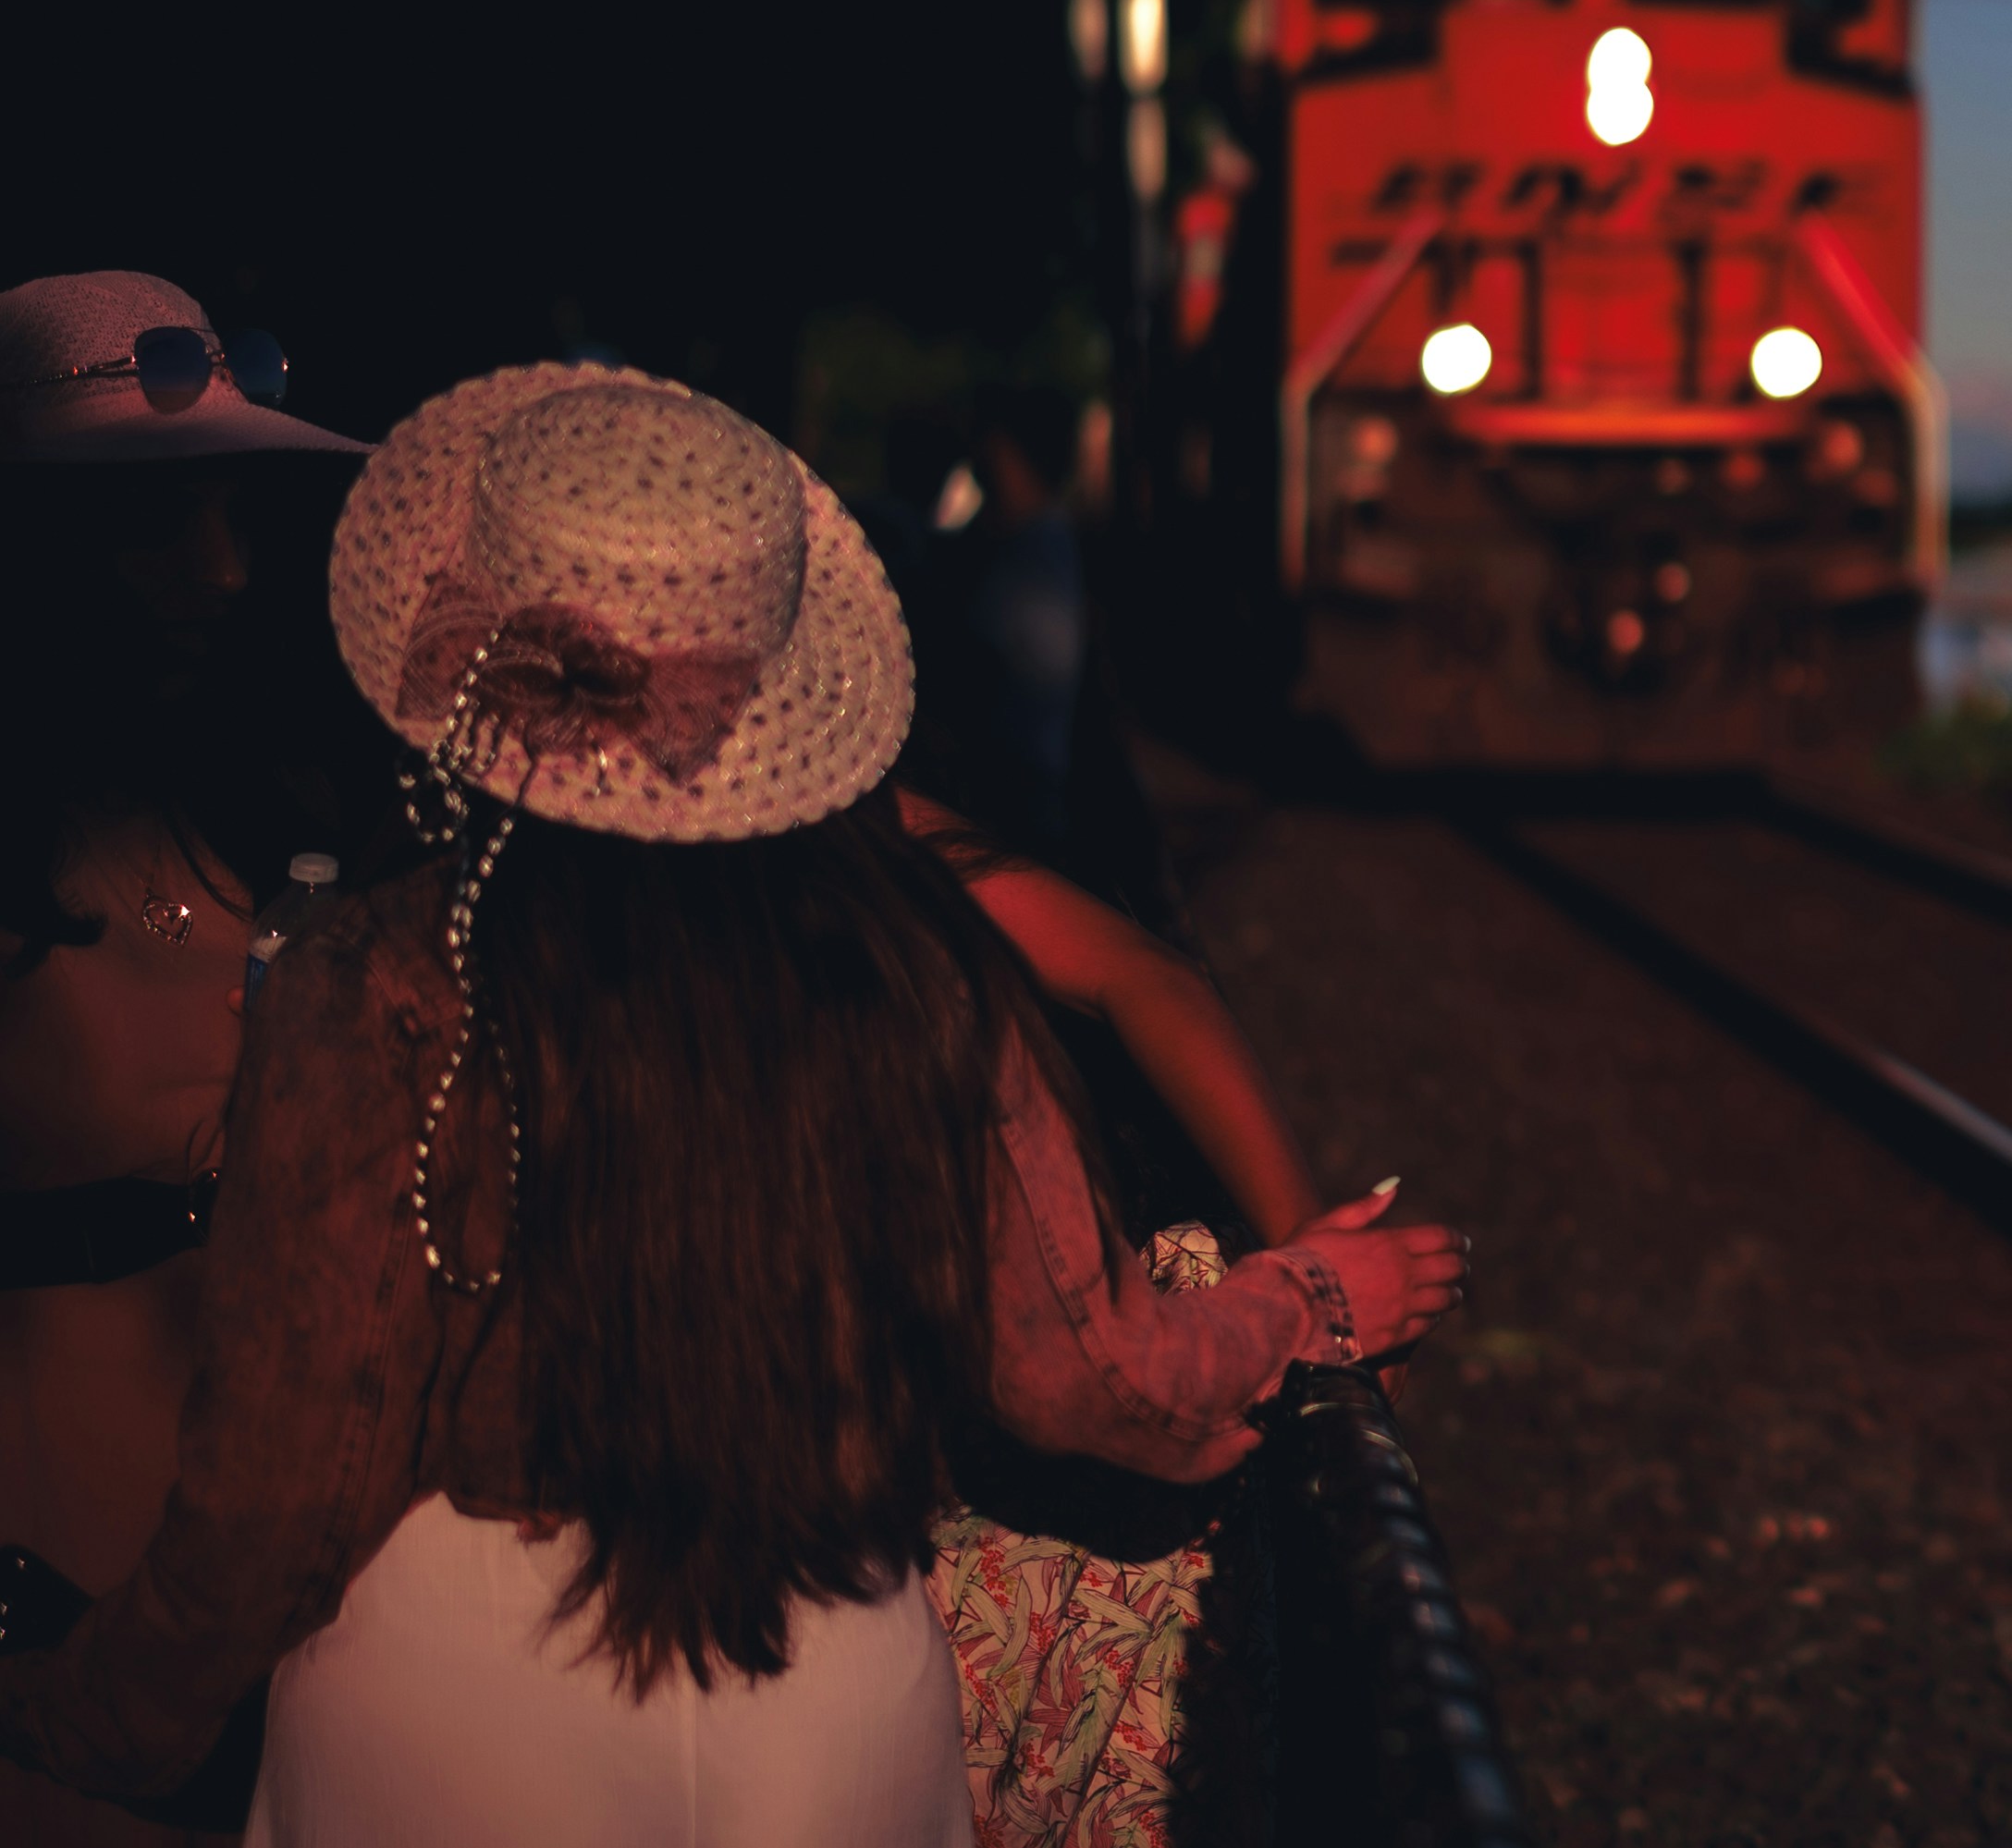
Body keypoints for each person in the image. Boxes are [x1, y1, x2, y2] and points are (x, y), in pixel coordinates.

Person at [0, 364, 1466, 1845]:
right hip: (826, 1681)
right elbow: (1091, 1373)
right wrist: (1307, 1299)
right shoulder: (900, 955)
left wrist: (85, 1712)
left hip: (450, 1702)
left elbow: (284, 1492)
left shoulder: (381, 974)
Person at [0, 272, 370, 1847]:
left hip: (303, 1650)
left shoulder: (285, 819)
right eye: (162, 527)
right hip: (50, 1654)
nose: (224, 571)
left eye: (235, 517)